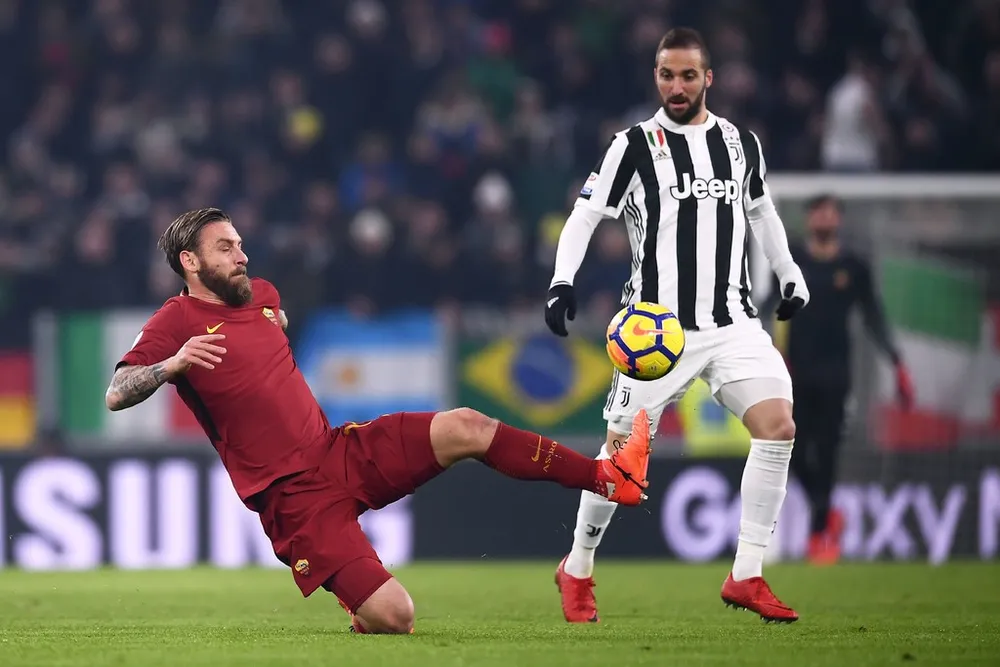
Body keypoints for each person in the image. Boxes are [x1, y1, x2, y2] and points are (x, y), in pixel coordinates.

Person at [105, 207, 653, 635]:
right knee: (396, 617)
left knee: (466, 425)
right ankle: (360, 605)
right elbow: (116, 393)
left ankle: (609, 476)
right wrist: (171, 365)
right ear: (190, 262)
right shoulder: (175, 319)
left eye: (241, 244)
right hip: (293, 498)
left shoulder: (265, 297)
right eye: (225, 248)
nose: (242, 256)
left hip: (338, 450)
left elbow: (272, 331)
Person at [543, 28, 809, 624]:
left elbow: (762, 211)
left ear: (708, 78)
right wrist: (562, 281)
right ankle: (578, 566)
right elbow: (585, 217)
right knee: (621, 460)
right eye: (667, 74)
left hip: (734, 321)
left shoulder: (740, 145)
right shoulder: (633, 145)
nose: (677, 85)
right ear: (656, 77)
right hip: (654, 332)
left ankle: (746, 575)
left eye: (689, 75)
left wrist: (789, 274)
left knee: (778, 425)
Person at [762, 194, 914, 565]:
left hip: (836, 375)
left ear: (838, 220)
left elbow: (873, 315)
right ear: (809, 217)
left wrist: (896, 362)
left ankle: (819, 536)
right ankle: (823, 509)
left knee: (828, 451)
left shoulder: (853, 267)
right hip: (795, 373)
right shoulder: (792, 260)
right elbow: (767, 307)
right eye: (818, 211)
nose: (824, 218)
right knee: (789, 447)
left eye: (831, 212)